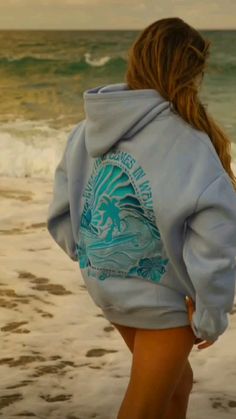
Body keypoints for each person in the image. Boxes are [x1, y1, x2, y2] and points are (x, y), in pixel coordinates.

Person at [47, 17, 236, 419]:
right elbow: (216, 242)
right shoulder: (189, 142)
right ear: (193, 73)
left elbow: (63, 209)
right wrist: (210, 313)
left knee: (176, 385)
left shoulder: (88, 129)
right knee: (143, 409)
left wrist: (96, 258)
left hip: (106, 287)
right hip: (160, 303)